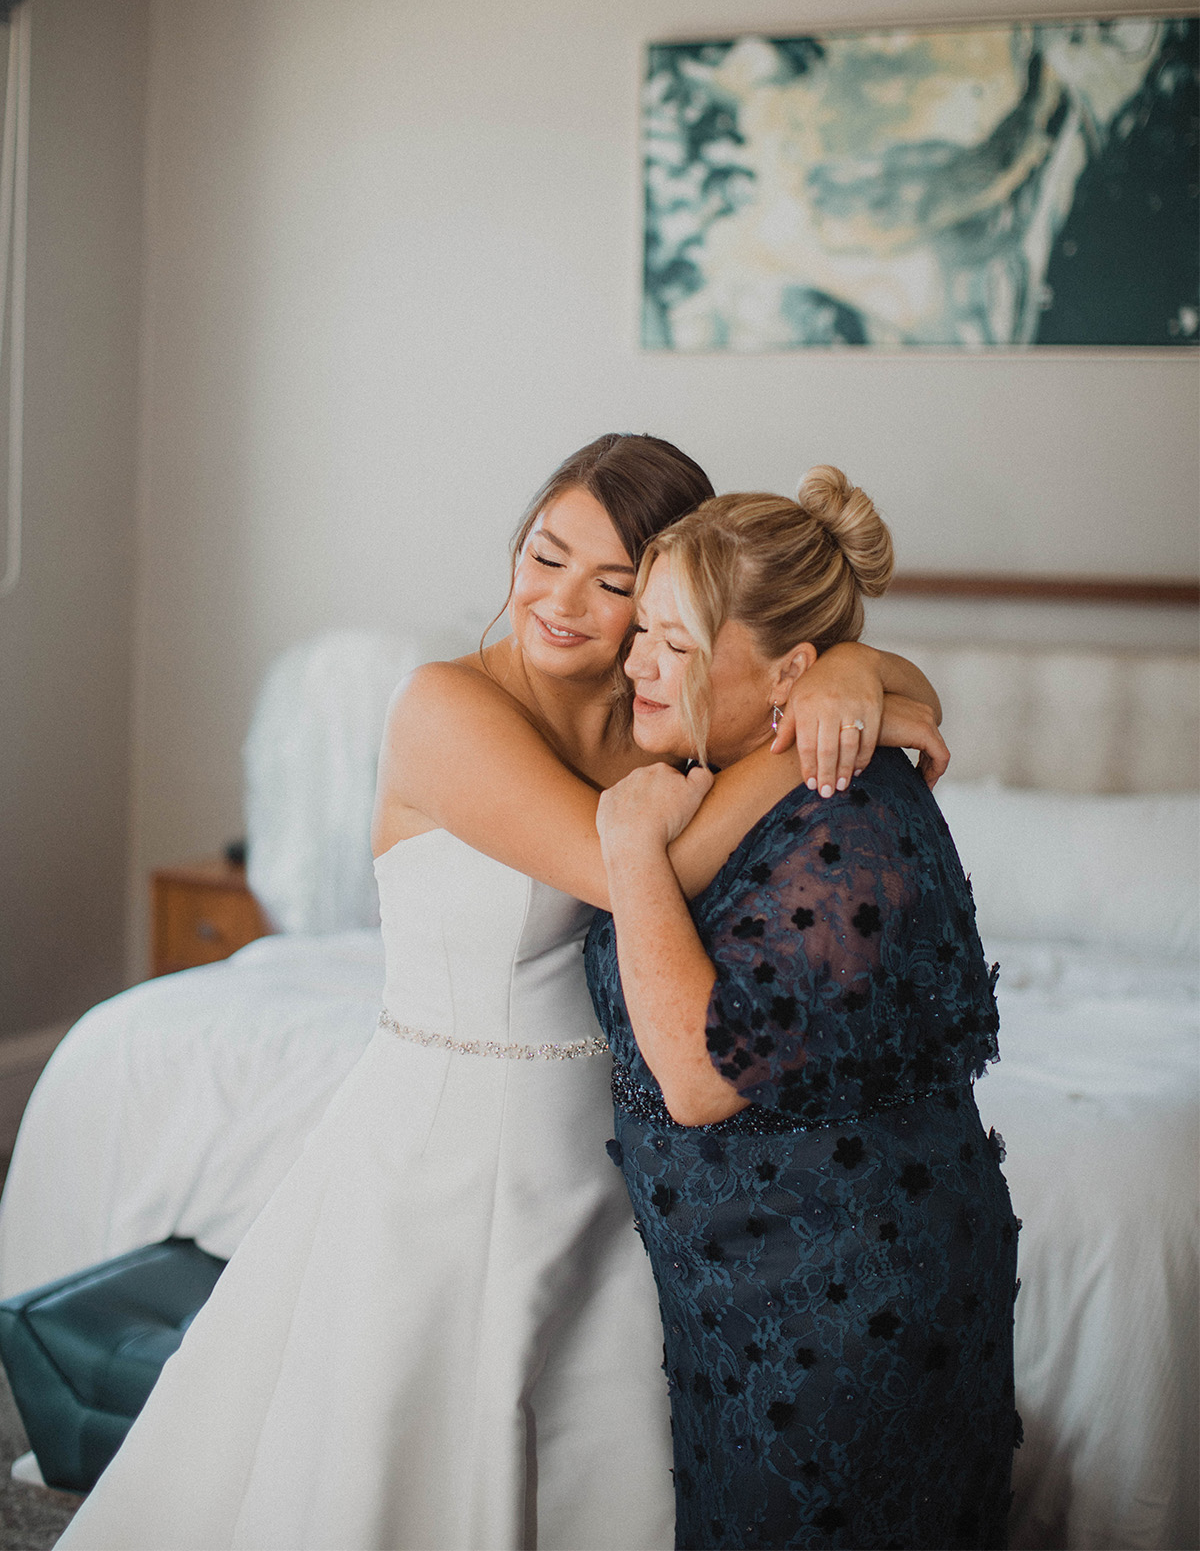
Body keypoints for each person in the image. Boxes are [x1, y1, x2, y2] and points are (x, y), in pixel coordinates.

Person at [59, 436, 946, 1551]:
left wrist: (856, 676)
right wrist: (798, 739)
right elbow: (629, 869)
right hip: (443, 1152)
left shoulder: (660, 718)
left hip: (607, 1159)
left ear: (673, 606)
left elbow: (886, 680)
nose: (562, 601)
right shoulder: (442, 709)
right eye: (544, 554)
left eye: (617, 585)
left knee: (596, 1470)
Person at [585, 470, 1020, 1551]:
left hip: (848, 1313)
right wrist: (866, 668)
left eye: (674, 645)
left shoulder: (850, 816)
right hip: (745, 1293)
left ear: (790, 675)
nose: (635, 663)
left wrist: (628, 847)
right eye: (642, 629)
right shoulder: (730, 762)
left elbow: (694, 1074)